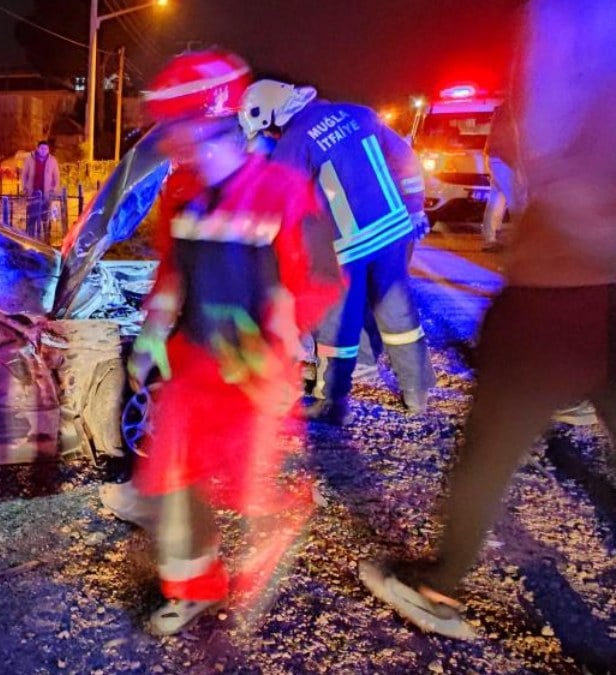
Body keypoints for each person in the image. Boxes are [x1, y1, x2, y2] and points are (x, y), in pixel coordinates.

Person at [359, 0, 616, 640]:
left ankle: (438, 584)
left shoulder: (573, 20)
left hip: (562, 286)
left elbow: (551, 145)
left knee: (490, 445)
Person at [119, 50, 342, 635]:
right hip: (195, 366)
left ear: (212, 127)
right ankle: (193, 583)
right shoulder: (180, 199)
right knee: (173, 475)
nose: (171, 146)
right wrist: (151, 336)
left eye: (178, 132)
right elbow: (174, 273)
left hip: (256, 369)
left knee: (250, 486)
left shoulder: (286, 191)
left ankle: (286, 515)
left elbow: (321, 277)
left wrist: (281, 335)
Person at [241, 80, 434, 425]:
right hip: (393, 231)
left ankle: (330, 401)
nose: (270, 134)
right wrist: (416, 207)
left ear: (273, 116)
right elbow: (404, 156)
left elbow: (283, 202)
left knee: (335, 326)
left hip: (348, 246)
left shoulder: (294, 141)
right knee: (398, 313)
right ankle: (416, 393)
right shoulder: (359, 113)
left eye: (268, 128)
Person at [481, 103, 517, 253]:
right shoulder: (512, 111)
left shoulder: (502, 110)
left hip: (495, 158)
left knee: (497, 199)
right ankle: (522, 238)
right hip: (503, 159)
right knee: (516, 199)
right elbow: (511, 140)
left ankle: (490, 238)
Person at [20, 140, 60, 240]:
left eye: (46, 149)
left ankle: (46, 238)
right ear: (37, 148)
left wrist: (54, 189)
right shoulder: (30, 159)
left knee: (45, 217)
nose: (43, 151)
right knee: (31, 217)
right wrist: (24, 187)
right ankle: (30, 237)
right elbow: (24, 174)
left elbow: (56, 177)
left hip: (46, 194)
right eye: (42, 148)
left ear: (48, 150)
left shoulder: (52, 160)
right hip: (33, 193)